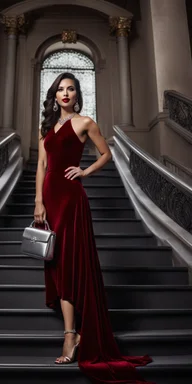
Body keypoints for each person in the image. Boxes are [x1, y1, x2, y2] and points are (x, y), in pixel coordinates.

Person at [34, 72, 154, 384]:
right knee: (58, 264)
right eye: (60, 89)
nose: (65, 93)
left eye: (70, 88)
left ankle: (70, 335)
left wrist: (84, 171)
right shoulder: (46, 126)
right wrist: (38, 202)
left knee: (70, 264)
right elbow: (42, 166)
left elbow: (107, 154)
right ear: (54, 94)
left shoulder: (85, 123)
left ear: (77, 94)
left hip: (72, 200)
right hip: (50, 198)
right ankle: (71, 334)